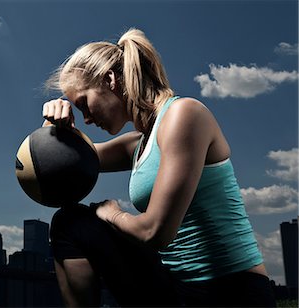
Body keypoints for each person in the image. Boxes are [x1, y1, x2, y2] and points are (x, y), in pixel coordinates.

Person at [42, 28, 276, 307]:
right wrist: (54, 123)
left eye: (83, 104)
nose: (87, 119)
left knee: (88, 221)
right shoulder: (137, 144)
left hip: (232, 292)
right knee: (69, 223)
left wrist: (113, 214)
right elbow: (63, 164)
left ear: (110, 80)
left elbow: (156, 232)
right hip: (177, 287)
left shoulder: (183, 115)